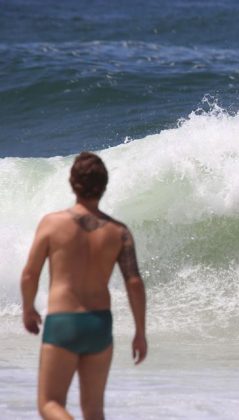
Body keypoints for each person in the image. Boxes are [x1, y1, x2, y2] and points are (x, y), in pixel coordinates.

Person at [21, 151, 147, 420]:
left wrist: (28, 309)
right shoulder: (119, 232)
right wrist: (140, 332)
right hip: (99, 324)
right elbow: (134, 283)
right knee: (94, 411)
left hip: (63, 322)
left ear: (72, 182)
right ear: (104, 185)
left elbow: (30, 274)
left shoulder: (52, 223)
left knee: (50, 403)